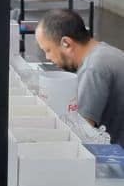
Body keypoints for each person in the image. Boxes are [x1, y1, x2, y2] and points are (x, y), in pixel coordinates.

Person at [36, 9, 124, 144]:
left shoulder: (93, 69)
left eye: (48, 50)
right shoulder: (104, 53)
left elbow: (81, 133)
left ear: (66, 43)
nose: (47, 57)